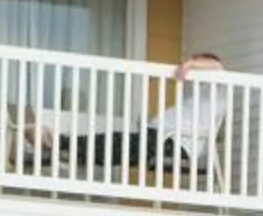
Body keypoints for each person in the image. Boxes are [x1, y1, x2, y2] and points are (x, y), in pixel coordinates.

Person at [35, 53, 230, 180]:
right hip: (162, 136)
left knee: (119, 143)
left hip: (178, 142)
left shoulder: (220, 89)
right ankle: (66, 149)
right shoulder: (203, 92)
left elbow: (218, 66)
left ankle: (63, 146)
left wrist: (189, 64)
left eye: (198, 63)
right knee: (118, 142)